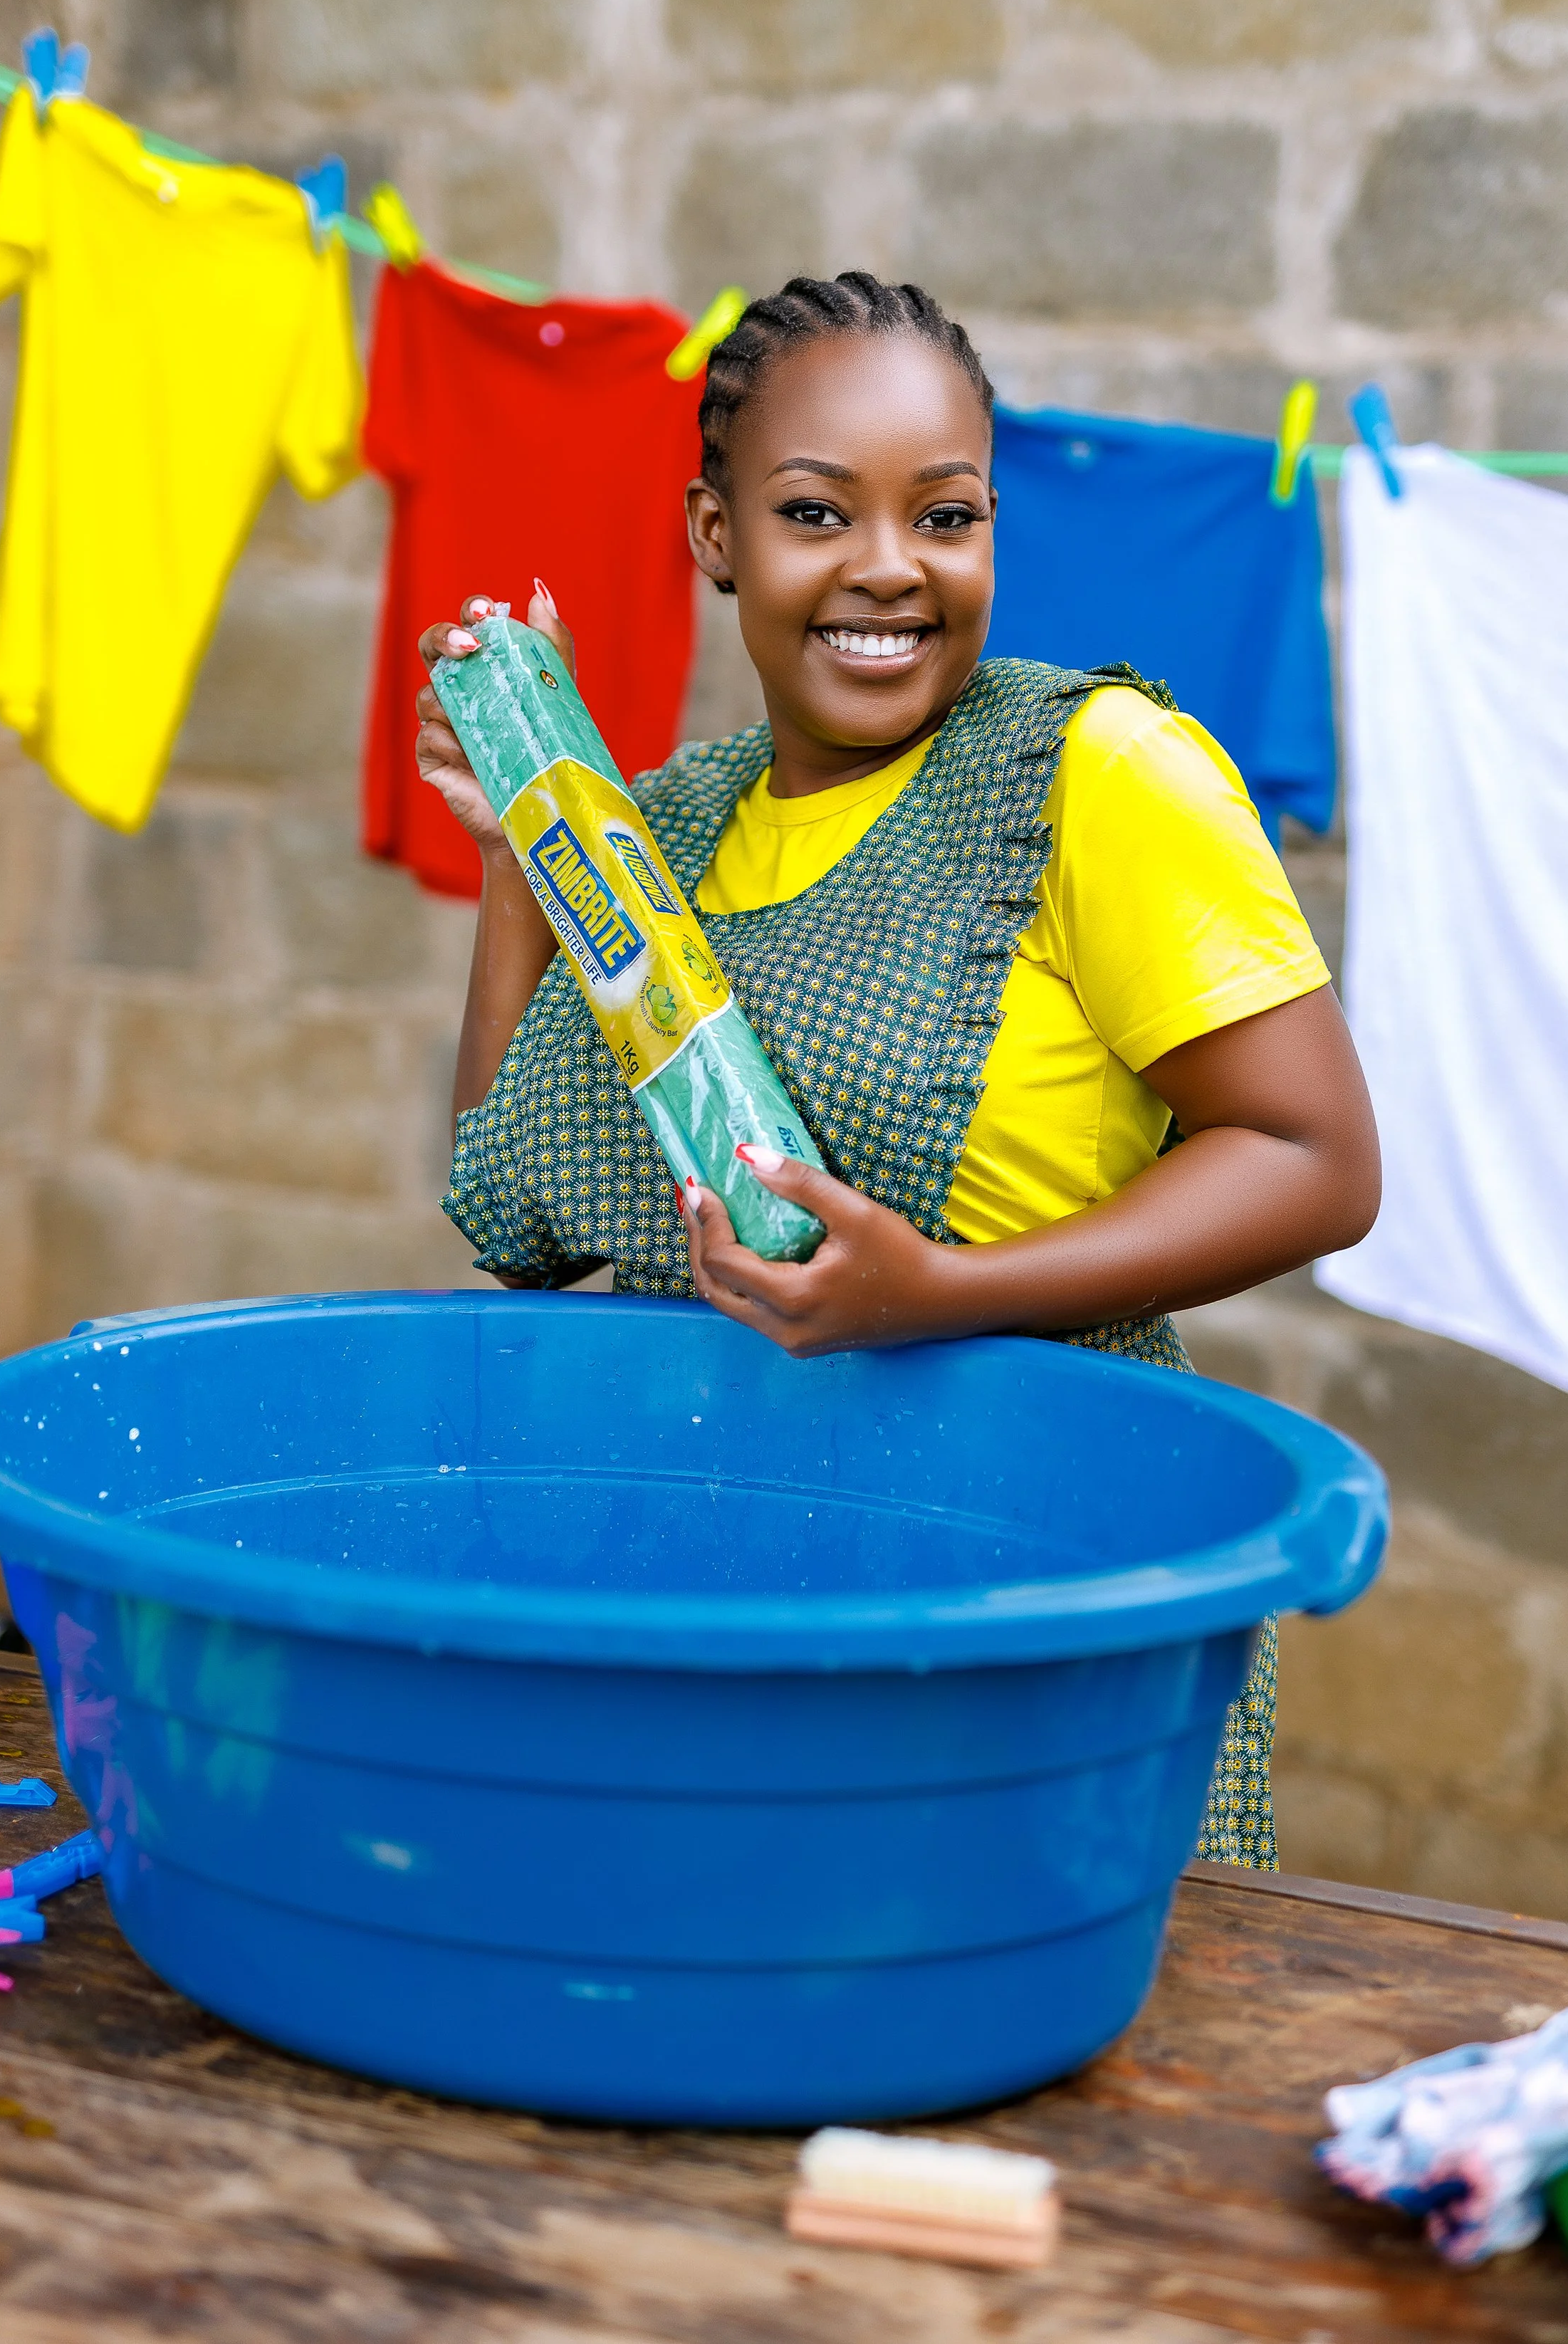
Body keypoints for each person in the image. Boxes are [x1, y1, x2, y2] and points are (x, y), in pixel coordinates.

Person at [415, 273, 1381, 1869]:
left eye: (944, 516)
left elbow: (1313, 1157)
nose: (888, 569)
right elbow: (516, 1208)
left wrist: (927, 1292)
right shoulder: (657, 826)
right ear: (714, 537)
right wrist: (531, 848)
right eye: (813, 513)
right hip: (694, 1595)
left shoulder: (1089, 777)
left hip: (1019, 1583)